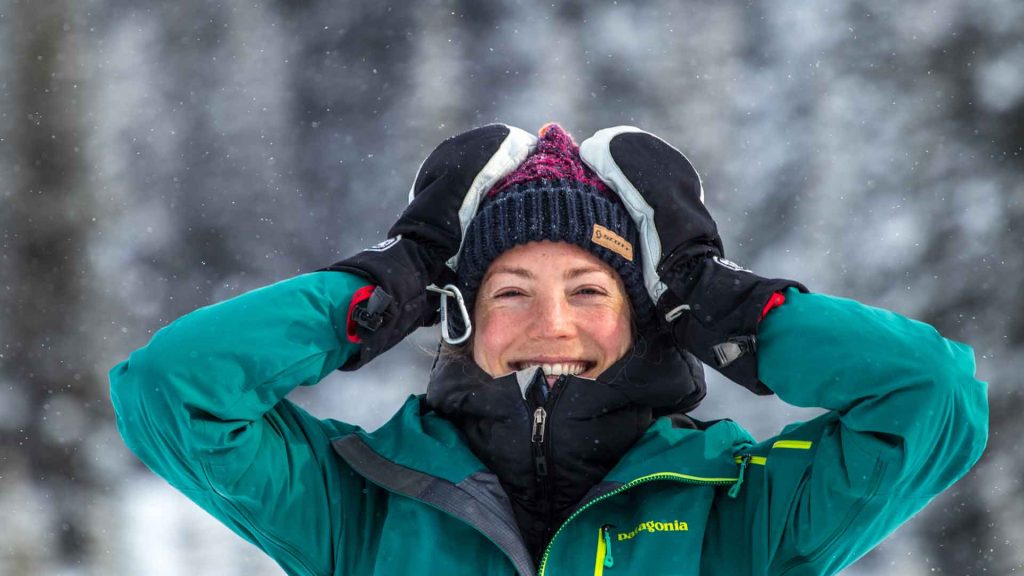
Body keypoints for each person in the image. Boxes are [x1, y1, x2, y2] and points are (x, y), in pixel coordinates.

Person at [110, 123, 988, 575]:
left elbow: (933, 398)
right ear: (455, 316)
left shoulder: (739, 511)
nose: (551, 323)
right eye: (511, 292)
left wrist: (726, 300)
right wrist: (388, 279)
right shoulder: (362, 504)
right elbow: (170, 390)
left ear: (651, 317)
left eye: (590, 291)